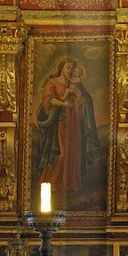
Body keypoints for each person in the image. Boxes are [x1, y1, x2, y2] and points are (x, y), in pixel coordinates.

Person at [32, 58, 102, 199]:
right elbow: (47, 100)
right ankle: (52, 182)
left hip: (74, 123)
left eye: (72, 68)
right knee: (61, 153)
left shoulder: (76, 85)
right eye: (67, 67)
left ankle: (70, 183)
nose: (69, 70)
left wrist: (79, 100)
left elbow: (84, 102)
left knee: (73, 152)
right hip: (59, 123)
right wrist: (63, 104)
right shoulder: (52, 82)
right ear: (61, 68)